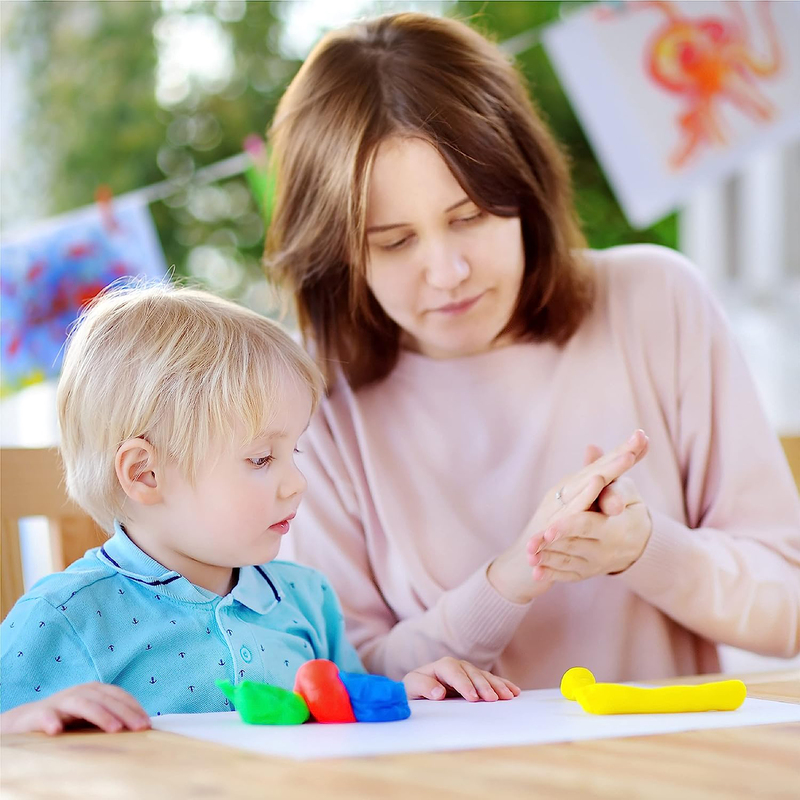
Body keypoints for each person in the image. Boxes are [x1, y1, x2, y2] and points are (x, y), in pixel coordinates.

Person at [264, 12, 800, 689]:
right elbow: (346, 674)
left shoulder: (654, 300)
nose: (448, 270)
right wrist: (508, 582)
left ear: (525, 192)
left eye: (471, 218)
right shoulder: (316, 392)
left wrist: (643, 547)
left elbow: (788, 608)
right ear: (338, 253)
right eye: (395, 242)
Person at [0, 283, 519, 735]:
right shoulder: (67, 617)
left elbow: (345, 723)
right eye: (260, 458)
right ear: (145, 474)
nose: (296, 483)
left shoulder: (306, 599)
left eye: (292, 452)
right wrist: (19, 726)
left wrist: (411, 697)